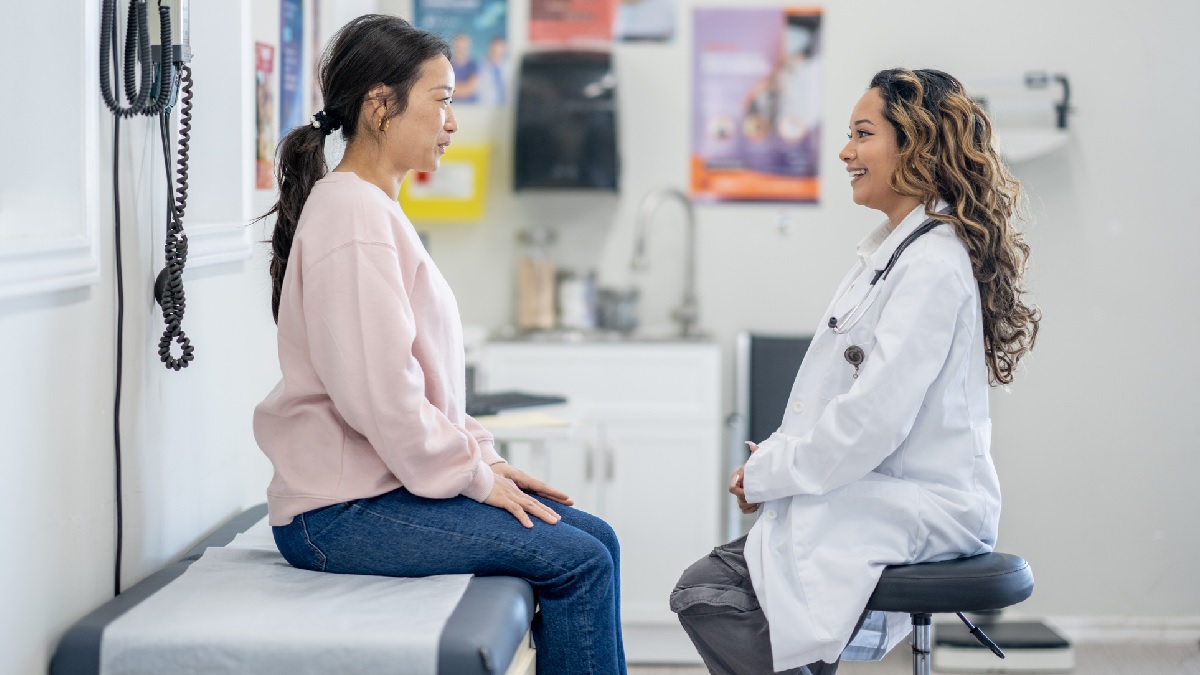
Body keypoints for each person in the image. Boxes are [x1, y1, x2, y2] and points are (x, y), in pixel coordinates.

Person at [253, 15, 626, 675]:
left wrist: (484, 460)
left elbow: (427, 392)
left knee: (597, 539)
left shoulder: (372, 209)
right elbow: (385, 401)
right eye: (443, 99)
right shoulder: (354, 217)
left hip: (374, 490)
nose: (453, 122)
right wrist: (473, 479)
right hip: (337, 512)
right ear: (380, 106)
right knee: (581, 561)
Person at [670, 68, 1041, 674]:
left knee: (713, 592)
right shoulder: (890, 254)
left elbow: (872, 421)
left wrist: (773, 473)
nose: (845, 152)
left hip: (934, 504)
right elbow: (837, 400)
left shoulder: (931, 265)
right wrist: (777, 466)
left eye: (862, 134)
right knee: (726, 587)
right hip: (888, 491)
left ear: (914, 143)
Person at [450, 33, 480, 103]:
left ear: (468, 48)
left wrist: (451, 89)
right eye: (458, 48)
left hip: (471, 108)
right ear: (453, 48)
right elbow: (442, 89)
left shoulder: (474, 65)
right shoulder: (447, 65)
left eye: (463, 48)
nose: (460, 51)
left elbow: (471, 88)